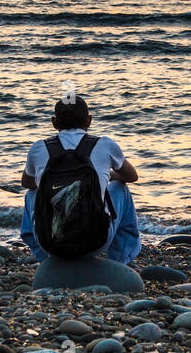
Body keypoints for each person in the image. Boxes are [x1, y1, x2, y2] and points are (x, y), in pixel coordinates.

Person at [19, 96, 140, 264]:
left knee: (31, 194)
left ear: (54, 122)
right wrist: (110, 175)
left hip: (50, 243)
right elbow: (131, 176)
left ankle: (45, 260)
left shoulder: (39, 148)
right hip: (95, 242)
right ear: (89, 120)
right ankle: (120, 260)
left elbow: (27, 183)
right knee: (121, 188)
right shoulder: (105, 144)